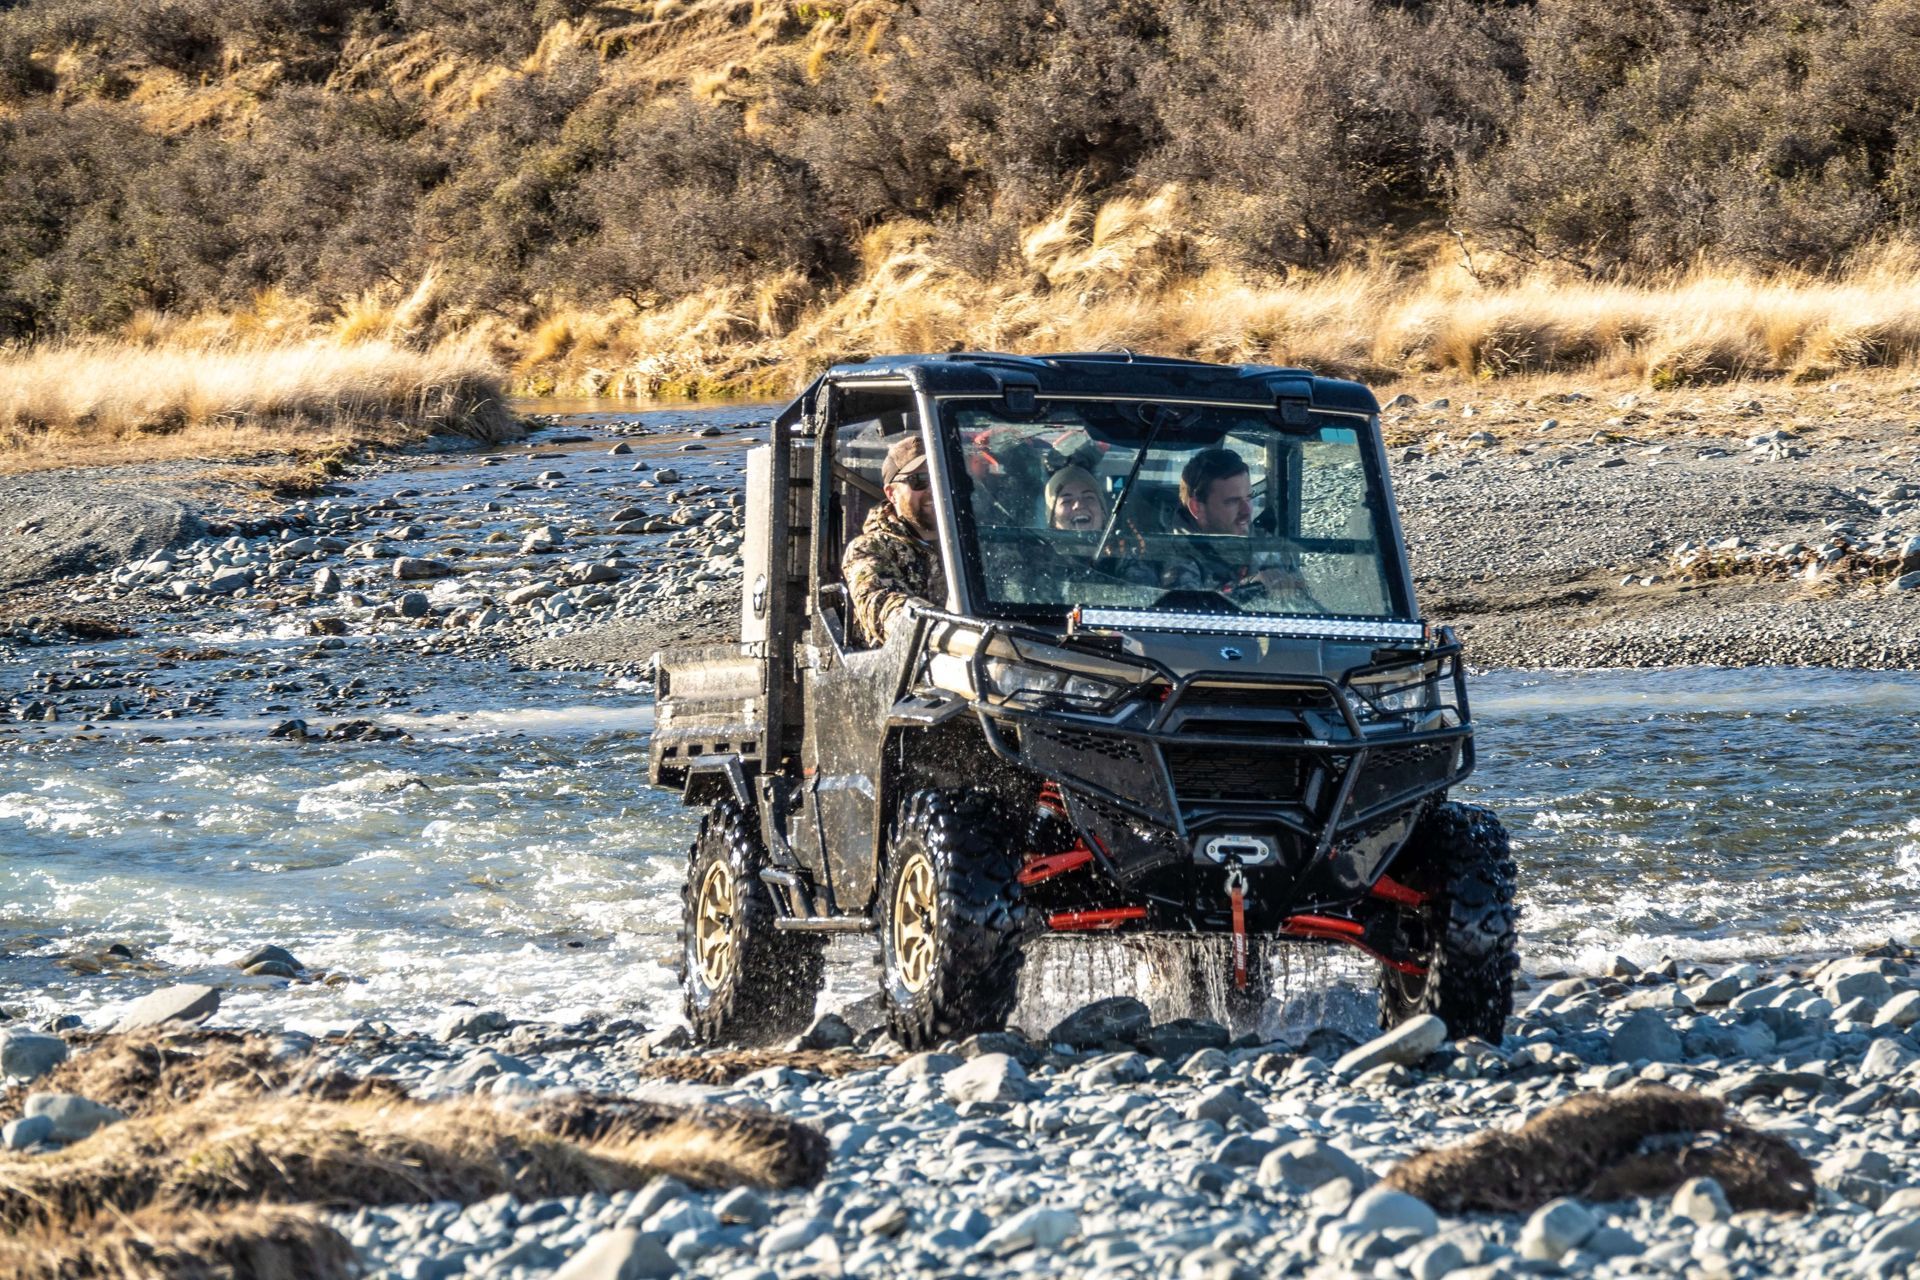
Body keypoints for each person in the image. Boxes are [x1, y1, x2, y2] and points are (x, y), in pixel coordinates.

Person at [843, 435, 946, 646]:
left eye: (941, 478)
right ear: (891, 493)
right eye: (919, 481)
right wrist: (949, 633)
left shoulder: (977, 544)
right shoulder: (869, 549)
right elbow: (881, 606)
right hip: (907, 670)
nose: (934, 490)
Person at [1163, 447, 1305, 600]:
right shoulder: (1170, 557)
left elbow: (1304, 603)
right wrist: (1251, 588)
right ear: (1197, 507)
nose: (1247, 511)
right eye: (1232, 502)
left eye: (1249, 498)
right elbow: (1188, 613)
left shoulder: (1269, 546)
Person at [1044, 464, 1106, 532]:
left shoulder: (1117, 542)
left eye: (1088, 498)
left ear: (1102, 513)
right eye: (1066, 501)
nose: (1079, 505)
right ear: (1053, 519)